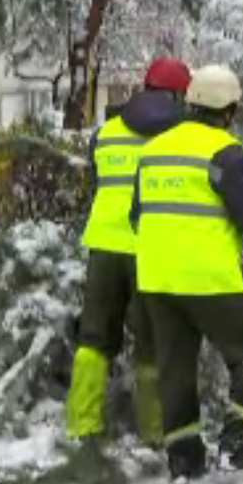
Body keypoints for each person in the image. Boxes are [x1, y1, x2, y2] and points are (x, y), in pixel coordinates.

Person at [132, 64, 243, 478]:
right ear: (229, 111)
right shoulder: (226, 154)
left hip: (156, 277)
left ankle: (184, 461)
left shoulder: (153, 151)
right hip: (209, 279)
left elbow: (136, 217)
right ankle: (238, 447)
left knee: (175, 369)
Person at [66, 58, 192, 453]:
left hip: (104, 245)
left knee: (93, 339)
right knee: (151, 343)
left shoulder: (106, 133)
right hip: (151, 247)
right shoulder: (184, 133)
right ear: (179, 95)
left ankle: (83, 425)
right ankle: (154, 432)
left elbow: (97, 182)